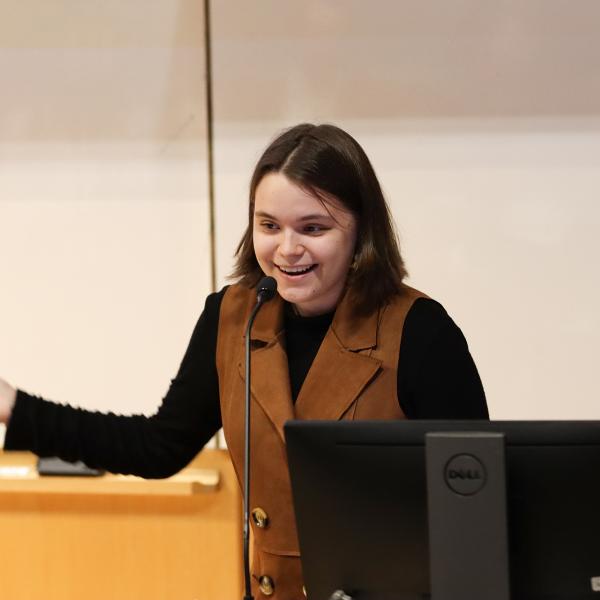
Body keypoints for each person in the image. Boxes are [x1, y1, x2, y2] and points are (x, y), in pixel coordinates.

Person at [0, 123, 488, 599]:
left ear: (360, 231)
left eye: (313, 228)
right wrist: (14, 407)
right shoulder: (233, 315)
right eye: (269, 226)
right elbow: (157, 447)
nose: (288, 249)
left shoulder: (420, 331)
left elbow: (473, 497)